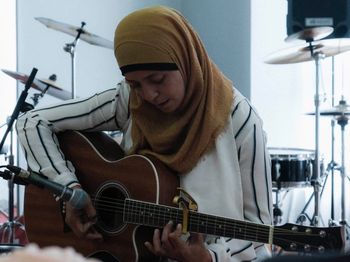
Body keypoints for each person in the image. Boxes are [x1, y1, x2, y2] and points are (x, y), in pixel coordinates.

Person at [16, 5, 272, 262]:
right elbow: (32, 122)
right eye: (135, 84)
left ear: (185, 60)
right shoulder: (129, 101)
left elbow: (261, 234)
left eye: (158, 79)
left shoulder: (241, 121)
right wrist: (68, 189)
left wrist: (208, 257)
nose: (149, 95)